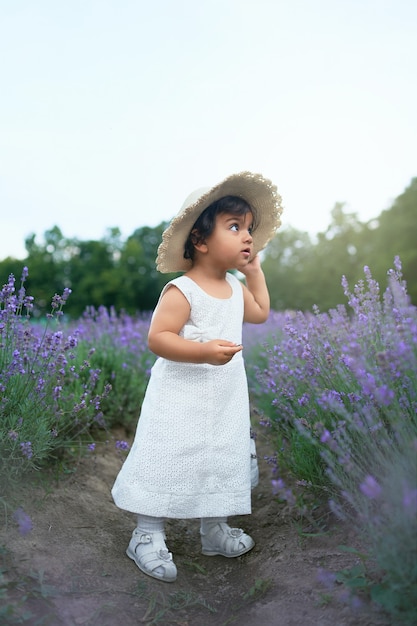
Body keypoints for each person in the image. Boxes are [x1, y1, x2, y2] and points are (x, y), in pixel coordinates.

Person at [111, 171, 283, 582]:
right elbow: (159, 338)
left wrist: (256, 273)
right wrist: (203, 350)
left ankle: (214, 528)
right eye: (235, 227)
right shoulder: (182, 290)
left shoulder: (235, 286)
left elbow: (259, 313)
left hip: (223, 396)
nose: (247, 237)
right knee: (167, 456)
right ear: (201, 242)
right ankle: (147, 534)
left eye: (249, 230)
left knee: (221, 454)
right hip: (180, 398)